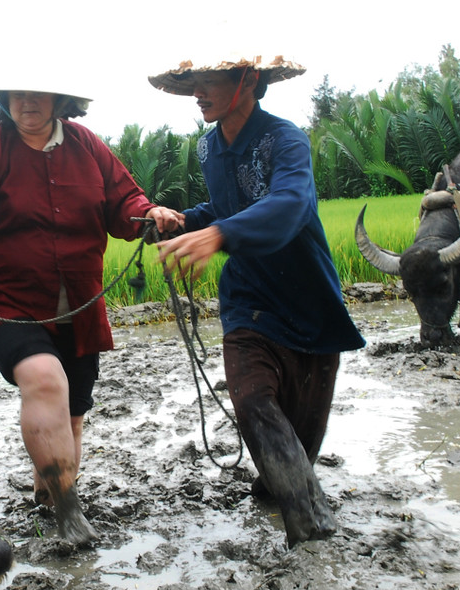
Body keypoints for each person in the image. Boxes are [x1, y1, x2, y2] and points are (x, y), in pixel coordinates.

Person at [0, 82, 179, 544]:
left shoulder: (88, 147)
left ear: (61, 101)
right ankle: (68, 511)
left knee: (72, 413)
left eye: (38, 95)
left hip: (78, 303)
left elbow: (125, 201)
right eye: (16, 95)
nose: (26, 103)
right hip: (6, 301)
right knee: (45, 381)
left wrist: (150, 213)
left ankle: (49, 495)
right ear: (4, 101)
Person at [148, 53, 365, 546]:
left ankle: (278, 493)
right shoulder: (208, 147)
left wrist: (218, 234)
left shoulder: (285, 139)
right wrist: (185, 221)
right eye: (193, 83)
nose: (198, 93)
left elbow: (290, 204)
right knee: (252, 401)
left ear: (247, 79)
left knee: (298, 448)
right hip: (248, 300)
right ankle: (312, 532)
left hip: (307, 301)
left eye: (208, 81)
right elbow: (224, 206)